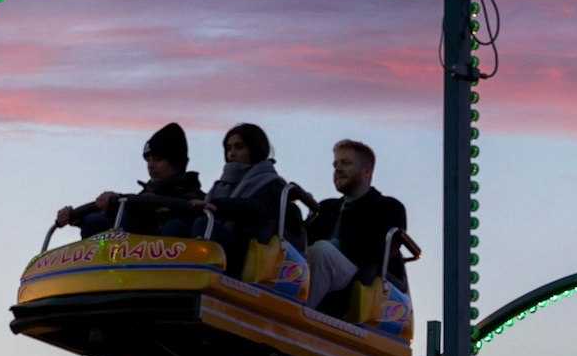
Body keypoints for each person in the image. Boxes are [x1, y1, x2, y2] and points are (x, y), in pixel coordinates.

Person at [291, 139, 412, 313]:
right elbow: (304, 243)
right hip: (324, 269)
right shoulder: (326, 208)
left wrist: (336, 246)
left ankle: (297, 312)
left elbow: (378, 252)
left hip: (363, 277)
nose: (338, 169)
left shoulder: (388, 207)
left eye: (345, 163)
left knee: (322, 251)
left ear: (367, 171)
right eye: (335, 164)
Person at [55, 123, 203, 237]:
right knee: (94, 221)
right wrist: (76, 217)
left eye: (157, 159)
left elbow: (193, 216)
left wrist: (157, 208)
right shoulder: (140, 197)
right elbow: (114, 219)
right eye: (148, 160)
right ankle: (93, 268)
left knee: (167, 224)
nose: (151, 165)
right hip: (125, 262)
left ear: (176, 162)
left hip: (166, 262)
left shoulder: (193, 196)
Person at [195, 123, 303, 275]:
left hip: (246, 249)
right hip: (220, 242)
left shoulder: (272, 184)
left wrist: (219, 208)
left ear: (255, 149)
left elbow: (257, 207)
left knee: (203, 224)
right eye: (229, 148)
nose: (232, 153)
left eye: (239, 147)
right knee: (177, 226)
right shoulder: (219, 186)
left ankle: (199, 272)